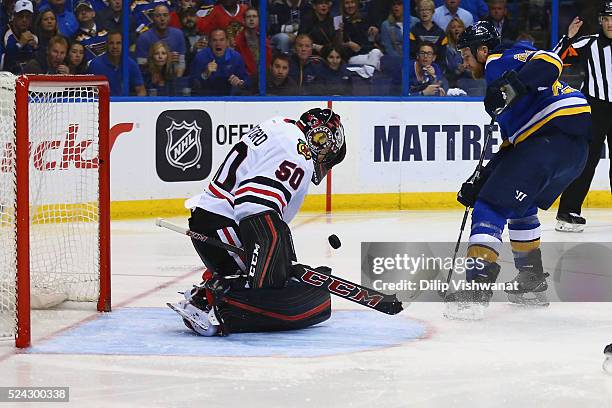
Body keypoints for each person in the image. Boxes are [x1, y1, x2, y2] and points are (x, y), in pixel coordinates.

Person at [445, 21, 591, 313]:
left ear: (482, 50)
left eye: (465, 55)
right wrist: (484, 176)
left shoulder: (498, 62)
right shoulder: (504, 84)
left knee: (490, 207)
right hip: (573, 152)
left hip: (552, 138)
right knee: (520, 207)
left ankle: (476, 288)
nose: (464, 61)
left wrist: (513, 84)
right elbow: (514, 145)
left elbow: (550, 61)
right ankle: (531, 281)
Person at [168, 108, 346, 336]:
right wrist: (271, 264)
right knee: (274, 289)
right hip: (223, 224)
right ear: (318, 140)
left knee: (281, 278)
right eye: (326, 151)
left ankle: (216, 288)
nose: (324, 161)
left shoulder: (281, 126)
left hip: (212, 219)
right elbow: (253, 204)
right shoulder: (300, 154)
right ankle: (212, 302)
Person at [553, 2, 612, 232]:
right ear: (600, 20)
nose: (610, 23)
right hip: (595, 108)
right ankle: (568, 212)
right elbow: (555, 59)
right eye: (606, 18)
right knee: (586, 161)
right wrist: (567, 38)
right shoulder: (588, 43)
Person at [189, 28, 249, 95]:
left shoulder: (236, 57)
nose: (218, 44)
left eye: (222, 40)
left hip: (229, 98)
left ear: (227, 42)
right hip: (206, 98)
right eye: (214, 40)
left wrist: (240, 82)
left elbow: (245, 80)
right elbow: (192, 84)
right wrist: (205, 74)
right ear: (210, 43)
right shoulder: (200, 57)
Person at [88, 31, 146, 96]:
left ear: (123, 45)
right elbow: (92, 92)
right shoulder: (96, 64)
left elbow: (141, 90)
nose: (115, 46)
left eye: (118, 43)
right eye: (111, 43)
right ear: (106, 44)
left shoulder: (131, 64)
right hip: (103, 103)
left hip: (124, 104)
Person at [135, 3, 186, 77]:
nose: (162, 19)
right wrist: (164, 60)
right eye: (158, 16)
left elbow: (181, 63)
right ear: (152, 18)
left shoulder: (178, 34)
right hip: (150, 80)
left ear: (169, 17)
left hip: (173, 78)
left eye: (165, 15)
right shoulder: (143, 38)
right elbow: (141, 65)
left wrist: (177, 80)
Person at [3, 0, 38, 74]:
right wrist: (20, 45)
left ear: (31, 19)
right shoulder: (5, 35)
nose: (24, 20)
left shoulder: (34, 37)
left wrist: (35, 49)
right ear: (14, 17)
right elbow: (7, 62)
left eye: (27, 17)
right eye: (21, 16)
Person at [410, 0, 447, 65]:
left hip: (436, 68)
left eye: (428, 9)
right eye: (422, 10)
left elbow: (442, 57)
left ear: (433, 12)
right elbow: (412, 55)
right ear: (418, 12)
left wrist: (436, 70)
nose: (425, 12)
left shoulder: (441, 33)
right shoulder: (412, 32)